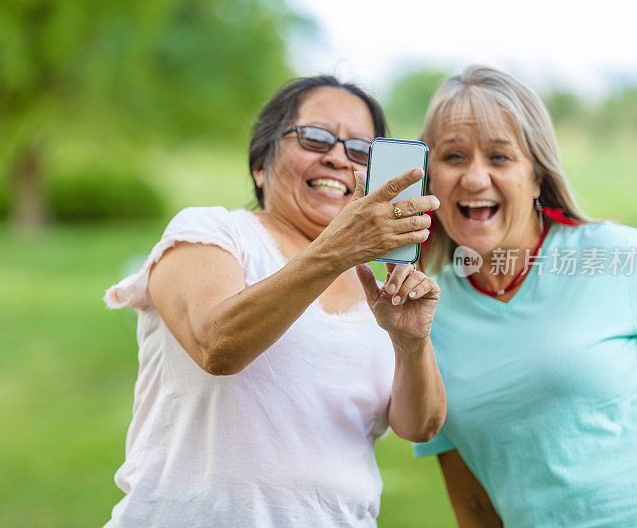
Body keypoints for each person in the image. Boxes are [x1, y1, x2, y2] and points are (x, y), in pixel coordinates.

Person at [102, 75, 447, 527]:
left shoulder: (378, 286)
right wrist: (335, 249)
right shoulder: (211, 233)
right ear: (261, 164)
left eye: (360, 149)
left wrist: (410, 342)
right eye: (316, 137)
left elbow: (419, 425)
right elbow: (217, 345)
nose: (338, 157)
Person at [393, 65, 637, 526]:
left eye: (500, 157)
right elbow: (474, 505)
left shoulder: (613, 257)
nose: (475, 177)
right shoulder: (425, 316)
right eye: (454, 157)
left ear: (537, 176)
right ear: (431, 179)